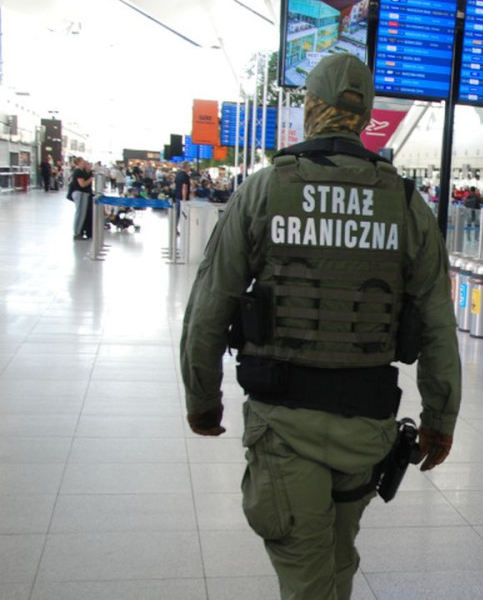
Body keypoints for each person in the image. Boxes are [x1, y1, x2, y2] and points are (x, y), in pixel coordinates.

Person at [179, 54, 460, 600]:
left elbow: (210, 307)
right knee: (336, 562)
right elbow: (436, 324)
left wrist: (202, 396)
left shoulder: (264, 191)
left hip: (283, 426)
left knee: (309, 578)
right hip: (367, 428)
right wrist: (440, 417)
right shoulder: (405, 204)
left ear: (310, 108)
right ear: (366, 116)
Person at [69, 160, 95, 239]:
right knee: (79, 213)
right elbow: (82, 184)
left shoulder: (83, 172)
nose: (84, 164)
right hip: (80, 193)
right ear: (79, 163)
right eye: (83, 162)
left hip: (84, 194)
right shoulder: (78, 172)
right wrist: (90, 179)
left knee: (82, 214)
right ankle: (77, 232)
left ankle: (79, 231)